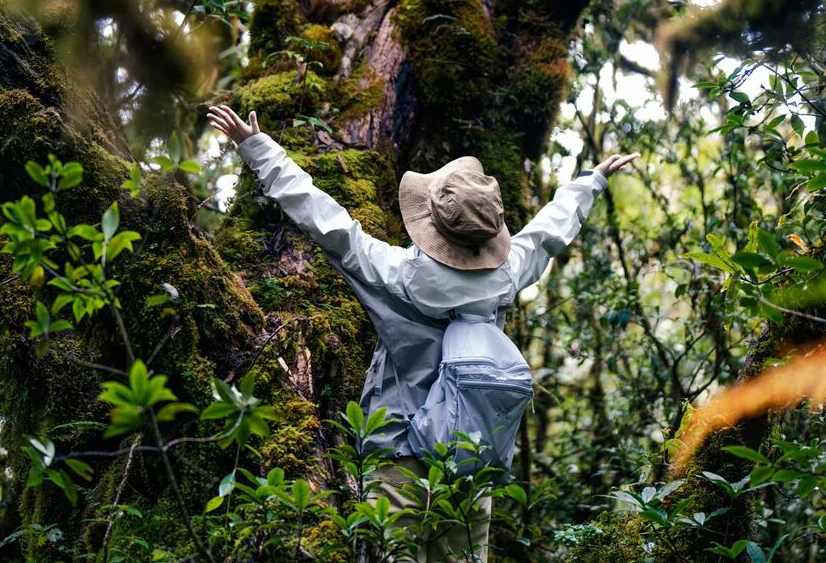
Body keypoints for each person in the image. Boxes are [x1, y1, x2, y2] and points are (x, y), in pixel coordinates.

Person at [206, 104, 639, 562]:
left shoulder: (395, 273)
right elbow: (548, 232)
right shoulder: (507, 273)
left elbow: (324, 218)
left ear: (432, 226)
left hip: (398, 450)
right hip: (469, 456)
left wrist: (256, 146)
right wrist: (591, 181)